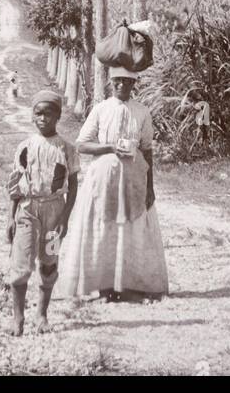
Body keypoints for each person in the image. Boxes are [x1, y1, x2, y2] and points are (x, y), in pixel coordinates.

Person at [58, 67, 168, 302]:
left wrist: (150, 187)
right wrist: (109, 147)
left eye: (127, 82)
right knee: (104, 227)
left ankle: (128, 284)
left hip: (134, 178)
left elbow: (147, 150)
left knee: (132, 227)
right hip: (104, 177)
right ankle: (104, 284)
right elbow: (82, 145)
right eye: (117, 81)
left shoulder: (142, 112)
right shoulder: (101, 109)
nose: (122, 86)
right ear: (110, 83)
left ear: (133, 84)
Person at [6, 89, 79, 335]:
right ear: (32, 116)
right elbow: (16, 185)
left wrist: (65, 218)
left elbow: (73, 186)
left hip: (54, 212)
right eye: (38, 113)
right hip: (27, 210)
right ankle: (18, 317)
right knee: (21, 266)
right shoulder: (24, 147)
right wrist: (11, 217)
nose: (43, 119)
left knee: (48, 263)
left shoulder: (67, 149)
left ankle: (42, 314)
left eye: (48, 114)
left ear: (57, 116)